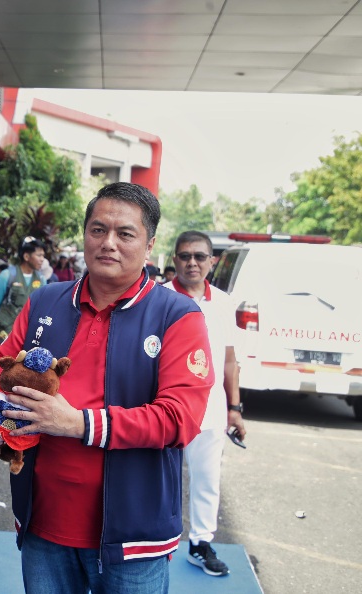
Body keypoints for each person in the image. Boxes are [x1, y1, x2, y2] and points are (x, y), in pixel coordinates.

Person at [0, 182, 214, 594]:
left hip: (133, 537)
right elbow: (6, 377)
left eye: (125, 234)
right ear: (85, 234)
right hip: (43, 526)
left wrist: (77, 423)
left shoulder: (177, 315)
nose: (109, 243)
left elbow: (180, 419)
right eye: (98, 230)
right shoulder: (46, 301)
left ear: (150, 244)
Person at [164, 230, 246, 577]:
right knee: (159, 477)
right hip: (165, 406)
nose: (192, 262)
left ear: (212, 261)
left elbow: (229, 359)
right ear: (175, 260)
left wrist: (235, 407)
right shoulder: (159, 297)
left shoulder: (224, 302)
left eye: (200, 256)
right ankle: (156, 542)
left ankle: (200, 542)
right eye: (185, 256)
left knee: (207, 479)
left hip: (211, 408)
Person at [0, 236, 46, 333]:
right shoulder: (6, 276)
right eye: (39, 255)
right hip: (6, 333)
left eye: (43, 256)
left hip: (28, 334)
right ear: (26, 257)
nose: (42, 259)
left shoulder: (41, 280)